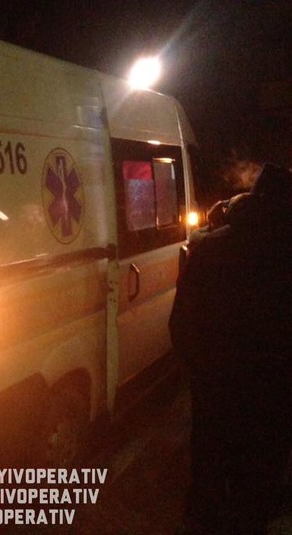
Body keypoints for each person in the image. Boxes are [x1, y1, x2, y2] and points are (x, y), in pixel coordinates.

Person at [170, 163, 292, 533]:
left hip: (216, 393)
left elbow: (181, 324)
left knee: (208, 482)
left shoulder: (209, 248)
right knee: (256, 493)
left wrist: (202, 374)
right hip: (273, 402)